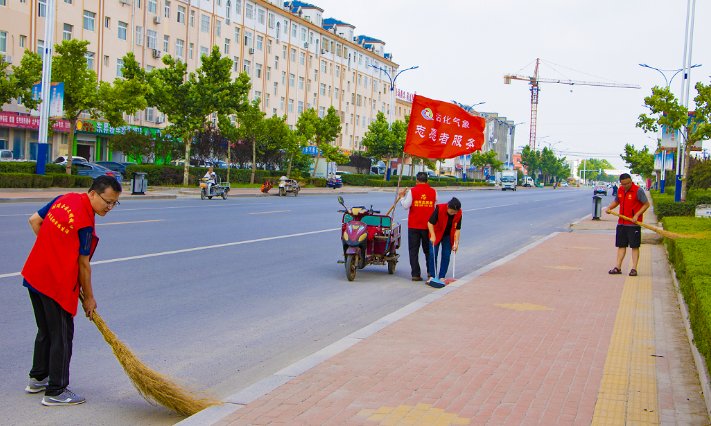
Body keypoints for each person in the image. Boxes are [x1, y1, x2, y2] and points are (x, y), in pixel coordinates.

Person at [22, 176, 122, 406]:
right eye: (107, 201)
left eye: (114, 203)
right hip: (54, 283)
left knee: (45, 329)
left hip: (34, 274)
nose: (109, 207)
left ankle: (38, 377)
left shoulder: (64, 198)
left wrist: (53, 248)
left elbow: (34, 221)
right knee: (62, 335)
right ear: (93, 193)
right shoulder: (85, 222)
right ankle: (56, 390)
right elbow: (83, 264)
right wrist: (89, 298)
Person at [605, 173, 650, 277]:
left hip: (633, 224)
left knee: (634, 246)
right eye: (624, 184)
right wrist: (609, 208)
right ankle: (618, 267)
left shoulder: (638, 190)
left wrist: (637, 215)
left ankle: (634, 268)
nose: (626, 185)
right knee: (621, 245)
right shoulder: (620, 190)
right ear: (621, 183)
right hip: (622, 223)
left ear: (631, 181)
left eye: (628, 183)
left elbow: (646, 204)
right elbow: (617, 201)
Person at [398, 172, 437, 281]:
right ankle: (430, 273)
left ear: (417, 181)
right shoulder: (434, 192)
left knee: (413, 250)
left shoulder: (412, 191)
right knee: (428, 250)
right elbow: (435, 206)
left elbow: (406, 206)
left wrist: (401, 197)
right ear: (427, 181)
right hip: (428, 226)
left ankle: (415, 274)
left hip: (414, 226)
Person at [426, 197, 462, 288]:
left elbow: (457, 229)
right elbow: (430, 223)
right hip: (437, 233)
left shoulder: (459, 213)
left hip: (448, 235)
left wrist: (456, 243)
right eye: (452, 212)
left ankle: (442, 276)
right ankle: (432, 276)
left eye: (455, 212)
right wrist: (433, 235)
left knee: (446, 254)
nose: (454, 213)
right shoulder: (440, 208)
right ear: (448, 207)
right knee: (432, 253)